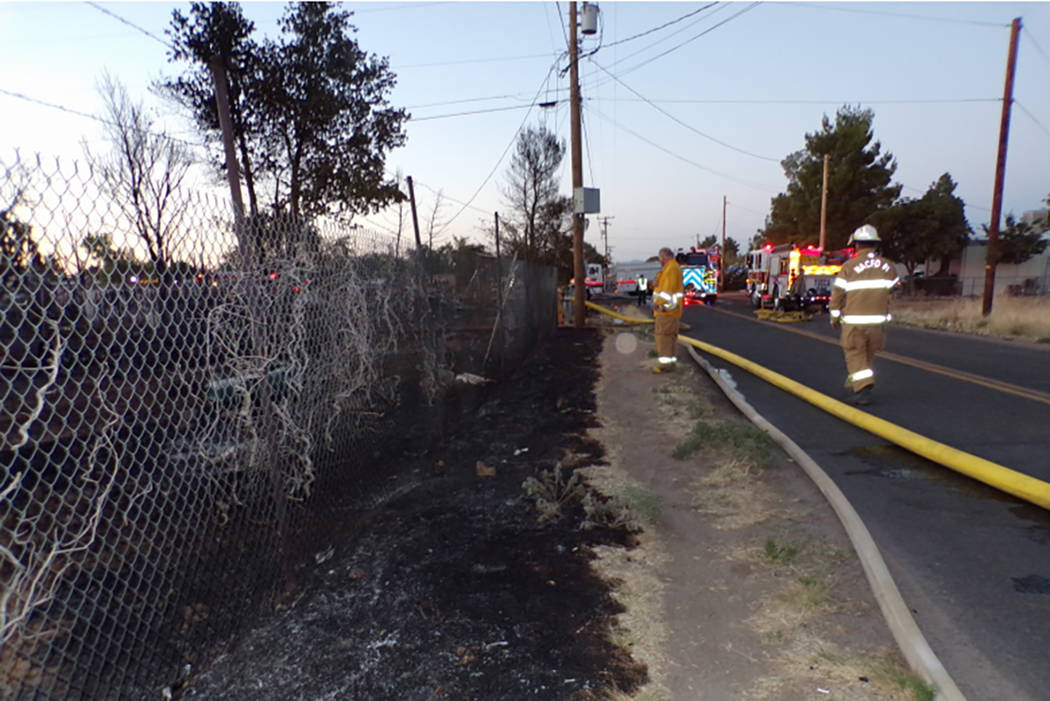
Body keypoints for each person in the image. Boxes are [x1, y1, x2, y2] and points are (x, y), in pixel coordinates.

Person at [829, 224, 900, 405]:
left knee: (854, 353)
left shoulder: (849, 266)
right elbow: (894, 289)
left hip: (854, 323)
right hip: (877, 324)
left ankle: (863, 388)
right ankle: (855, 383)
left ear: (857, 245)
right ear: (875, 245)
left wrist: (835, 316)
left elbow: (837, 295)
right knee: (867, 356)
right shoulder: (888, 266)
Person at [651, 247, 684, 373]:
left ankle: (665, 366)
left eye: (660, 259)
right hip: (671, 312)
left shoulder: (671, 269)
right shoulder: (672, 268)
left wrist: (659, 305)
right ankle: (670, 364)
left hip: (666, 312)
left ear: (663, 258)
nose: (660, 262)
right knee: (669, 340)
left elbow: (667, 292)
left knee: (663, 339)